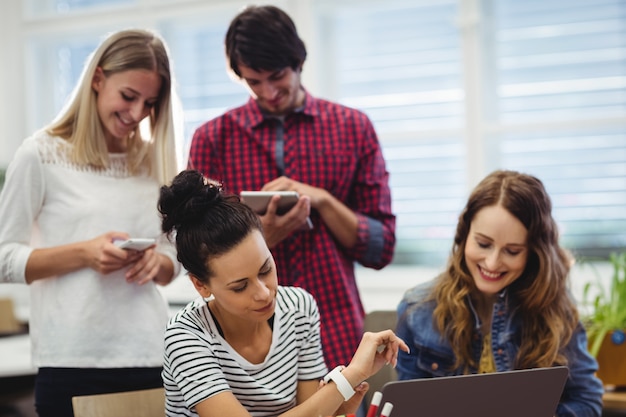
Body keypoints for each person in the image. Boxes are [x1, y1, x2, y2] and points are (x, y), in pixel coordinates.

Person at [187, 4, 396, 371]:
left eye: (277, 76)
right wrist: (259, 239)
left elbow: (381, 247)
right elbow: (194, 250)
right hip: (241, 334)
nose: (268, 92)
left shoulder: (352, 127)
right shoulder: (213, 139)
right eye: (253, 82)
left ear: (298, 61)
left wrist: (325, 201)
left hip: (335, 325)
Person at [0, 29, 182, 416]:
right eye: (128, 96)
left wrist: (162, 263)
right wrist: (84, 253)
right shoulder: (40, 155)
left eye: (150, 103)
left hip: (151, 355)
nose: (137, 114)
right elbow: (4, 259)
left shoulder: (155, 161)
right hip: (71, 360)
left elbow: (173, 252)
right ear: (97, 79)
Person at [158, 169, 408, 417]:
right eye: (240, 286)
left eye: (265, 269)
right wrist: (350, 376)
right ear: (201, 285)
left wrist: (335, 409)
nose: (264, 293)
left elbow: (311, 412)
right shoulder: (186, 336)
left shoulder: (298, 307)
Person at [395, 170, 604, 416]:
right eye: (483, 244)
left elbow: (586, 401)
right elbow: (407, 408)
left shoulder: (555, 307)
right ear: (464, 236)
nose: (492, 263)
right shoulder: (417, 309)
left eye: (512, 251)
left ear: (534, 252)